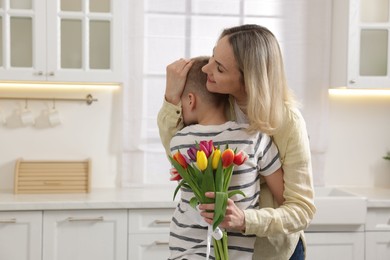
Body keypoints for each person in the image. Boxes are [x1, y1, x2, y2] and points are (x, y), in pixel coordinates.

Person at [158, 24, 316, 260]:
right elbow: (181, 153)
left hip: (271, 252)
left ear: (247, 80)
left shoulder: (288, 123)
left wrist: (245, 219)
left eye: (219, 68)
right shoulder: (219, 103)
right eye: (213, 56)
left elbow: (301, 210)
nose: (207, 68)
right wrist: (171, 98)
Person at [168, 56, 285, 260]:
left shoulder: (178, 141)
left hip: (184, 251)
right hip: (235, 255)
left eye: (180, 103)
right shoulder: (254, 138)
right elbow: (283, 196)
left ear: (190, 99)